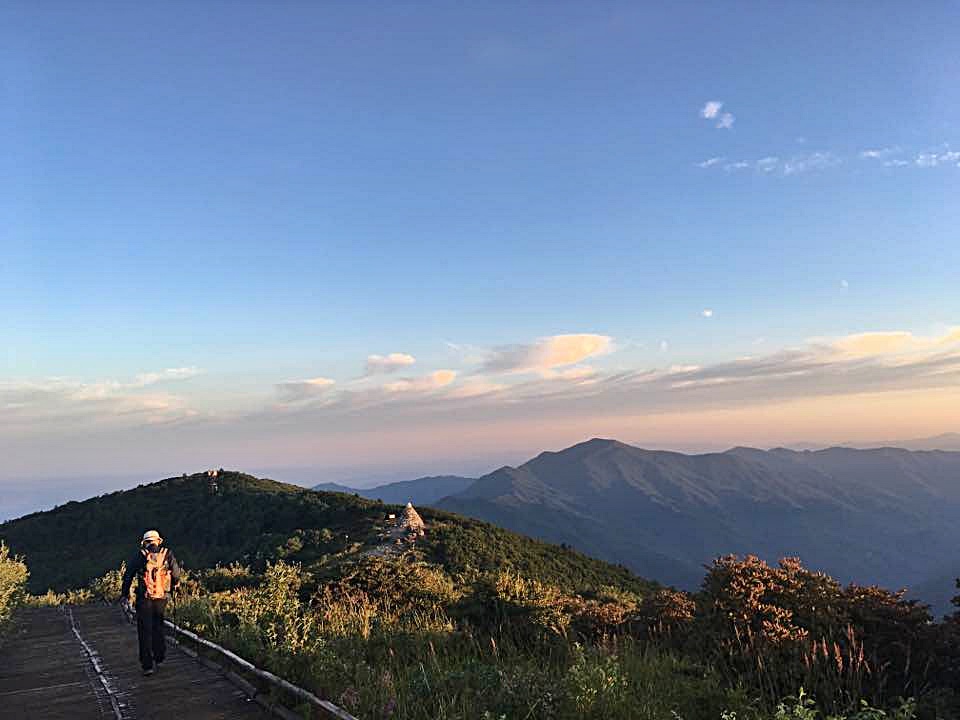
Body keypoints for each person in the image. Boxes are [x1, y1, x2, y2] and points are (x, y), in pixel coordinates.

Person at [119, 529, 181, 676]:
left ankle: (147, 665)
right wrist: (174, 587)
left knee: (144, 630)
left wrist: (125, 594)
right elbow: (176, 574)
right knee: (158, 626)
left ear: (145, 542)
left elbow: (128, 575)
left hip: (144, 598)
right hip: (161, 597)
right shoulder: (167, 553)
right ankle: (159, 657)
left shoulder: (141, 555)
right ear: (158, 541)